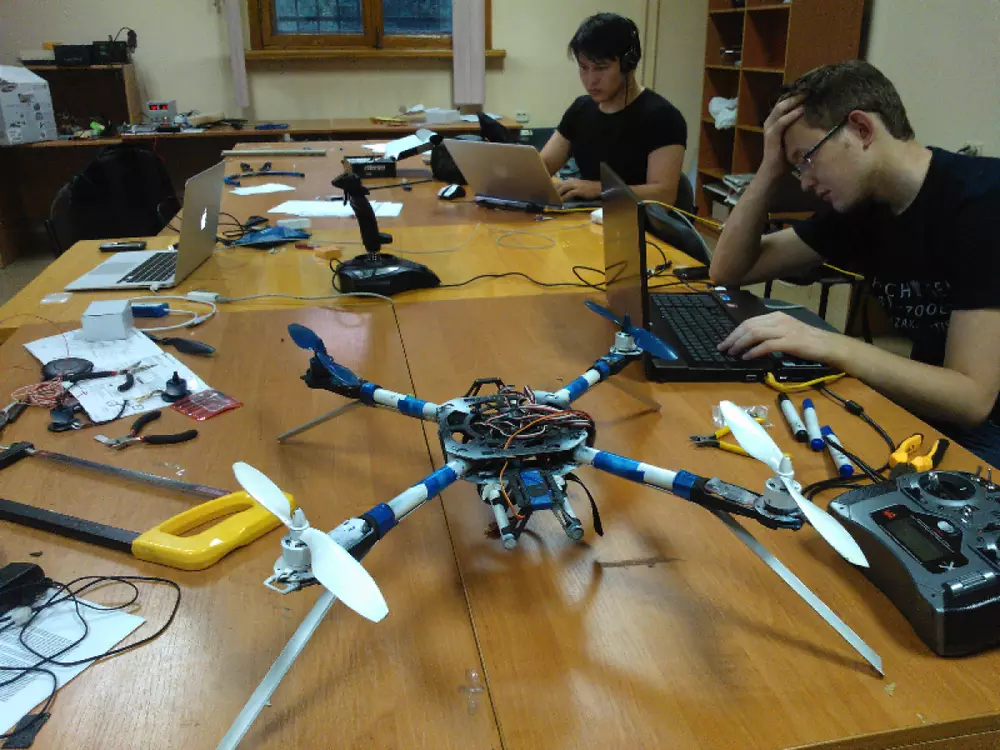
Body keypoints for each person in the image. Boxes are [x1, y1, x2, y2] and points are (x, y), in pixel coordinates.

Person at [709, 60, 1000, 467]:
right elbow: (728, 271)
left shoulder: (984, 202)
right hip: (932, 404)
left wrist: (828, 343)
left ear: (861, 129)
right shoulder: (864, 206)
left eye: (806, 159)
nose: (805, 182)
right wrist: (770, 169)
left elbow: (972, 399)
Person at [539, 12, 687, 204]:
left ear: (628, 64)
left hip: (634, 220)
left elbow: (663, 196)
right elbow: (542, 167)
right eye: (583, 68)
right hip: (585, 216)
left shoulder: (663, 117)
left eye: (601, 68)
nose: (591, 80)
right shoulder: (580, 109)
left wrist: (599, 189)